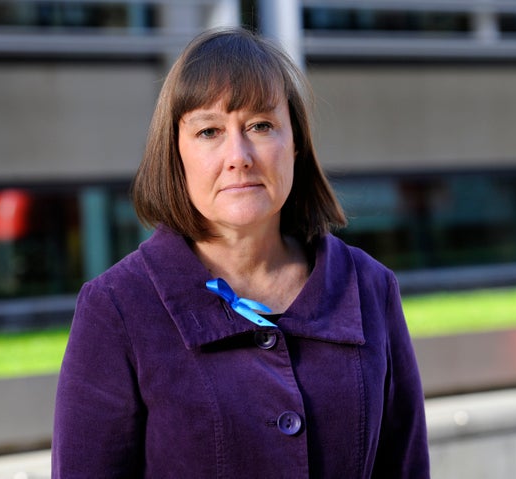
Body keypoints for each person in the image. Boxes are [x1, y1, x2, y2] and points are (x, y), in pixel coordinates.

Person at [52, 27, 429, 478]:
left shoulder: (369, 288)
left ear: (296, 143)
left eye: (261, 126)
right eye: (209, 131)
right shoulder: (116, 309)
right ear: (176, 154)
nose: (239, 156)